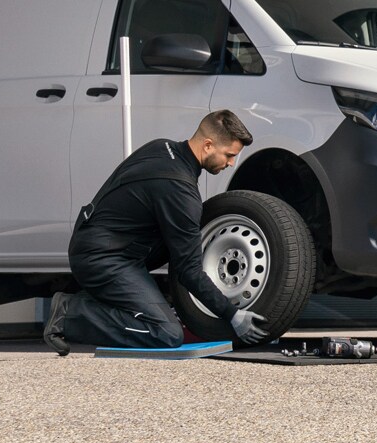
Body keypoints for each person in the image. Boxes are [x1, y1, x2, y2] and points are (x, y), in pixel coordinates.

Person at [45, 109, 269, 353]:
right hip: (103, 258)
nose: (231, 163)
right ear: (207, 145)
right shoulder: (179, 190)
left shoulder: (161, 147)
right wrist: (232, 314)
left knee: (190, 232)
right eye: (229, 155)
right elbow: (189, 271)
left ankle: (137, 301)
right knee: (165, 333)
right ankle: (69, 313)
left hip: (101, 241)